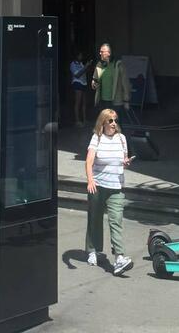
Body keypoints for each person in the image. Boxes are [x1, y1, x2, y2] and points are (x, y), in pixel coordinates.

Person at [85, 107, 132, 275]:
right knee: (95, 218)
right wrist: (90, 180)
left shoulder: (122, 139)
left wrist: (126, 163)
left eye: (116, 120)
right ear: (103, 122)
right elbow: (89, 161)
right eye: (110, 120)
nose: (114, 123)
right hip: (98, 186)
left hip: (116, 187)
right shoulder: (97, 138)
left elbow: (123, 161)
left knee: (116, 220)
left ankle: (119, 257)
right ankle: (92, 250)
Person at [92, 43, 130, 118]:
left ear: (109, 53)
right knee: (105, 122)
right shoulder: (99, 65)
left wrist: (126, 101)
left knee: (115, 122)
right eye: (100, 52)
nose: (100, 53)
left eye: (102, 51)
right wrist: (94, 83)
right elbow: (95, 79)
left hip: (116, 102)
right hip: (103, 101)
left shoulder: (118, 65)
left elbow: (125, 84)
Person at [70, 51, 89, 127]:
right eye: (80, 55)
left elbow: (84, 72)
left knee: (84, 102)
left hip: (84, 83)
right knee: (78, 102)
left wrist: (87, 66)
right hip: (77, 83)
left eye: (81, 55)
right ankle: (77, 120)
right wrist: (85, 67)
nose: (81, 57)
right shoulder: (73, 64)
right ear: (76, 56)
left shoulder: (81, 63)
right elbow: (77, 75)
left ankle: (84, 119)